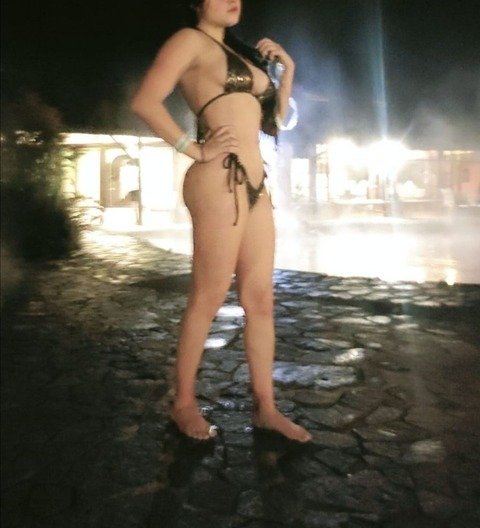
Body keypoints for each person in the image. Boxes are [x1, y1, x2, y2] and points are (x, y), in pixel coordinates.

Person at [131, 0, 312, 443]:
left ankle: (266, 408)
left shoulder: (240, 54)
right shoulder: (188, 41)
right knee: (208, 295)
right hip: (218, 177)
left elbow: (272, 124)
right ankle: (183, 404)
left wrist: (287, 72)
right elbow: (145, 102)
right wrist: (193, 149)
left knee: (260, 299)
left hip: (255, 182)